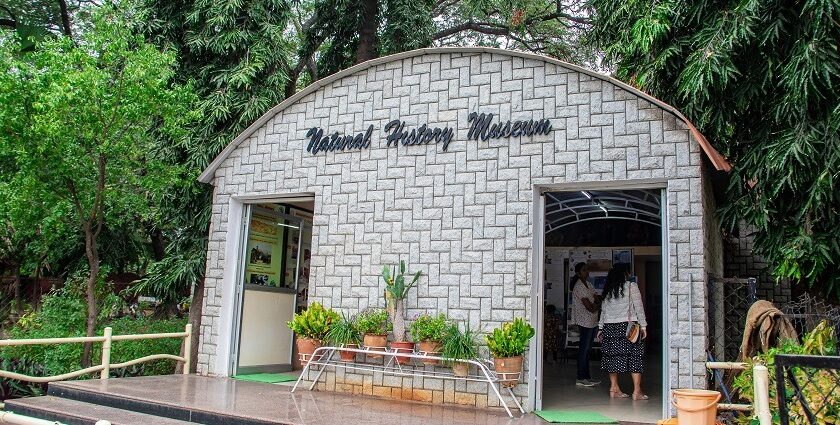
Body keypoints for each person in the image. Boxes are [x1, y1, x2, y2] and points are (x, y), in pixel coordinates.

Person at [597, 267, 648, 400]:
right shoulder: (631, 286)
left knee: (612, 357)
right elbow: (639, 307)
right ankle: (637, 391)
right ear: (625, 274)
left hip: (610, 328)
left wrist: (600, 328)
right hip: (629, 327)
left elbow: (603, 311)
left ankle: (614, 388)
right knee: (635, 357)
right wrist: (643, 326)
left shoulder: (608, 289)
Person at [569, 262, 600, 387]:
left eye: (587, 270)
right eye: (584, 270)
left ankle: (587, 376)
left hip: (592, 321)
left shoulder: (589, 284)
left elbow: (596, 299)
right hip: (585, 322)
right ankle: (581, 377)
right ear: (578, 273)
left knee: (587, 350)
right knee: (584, 349)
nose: (587, 272)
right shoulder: (579, 287)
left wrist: (596, 304)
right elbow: (590, 307)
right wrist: (596, 305)